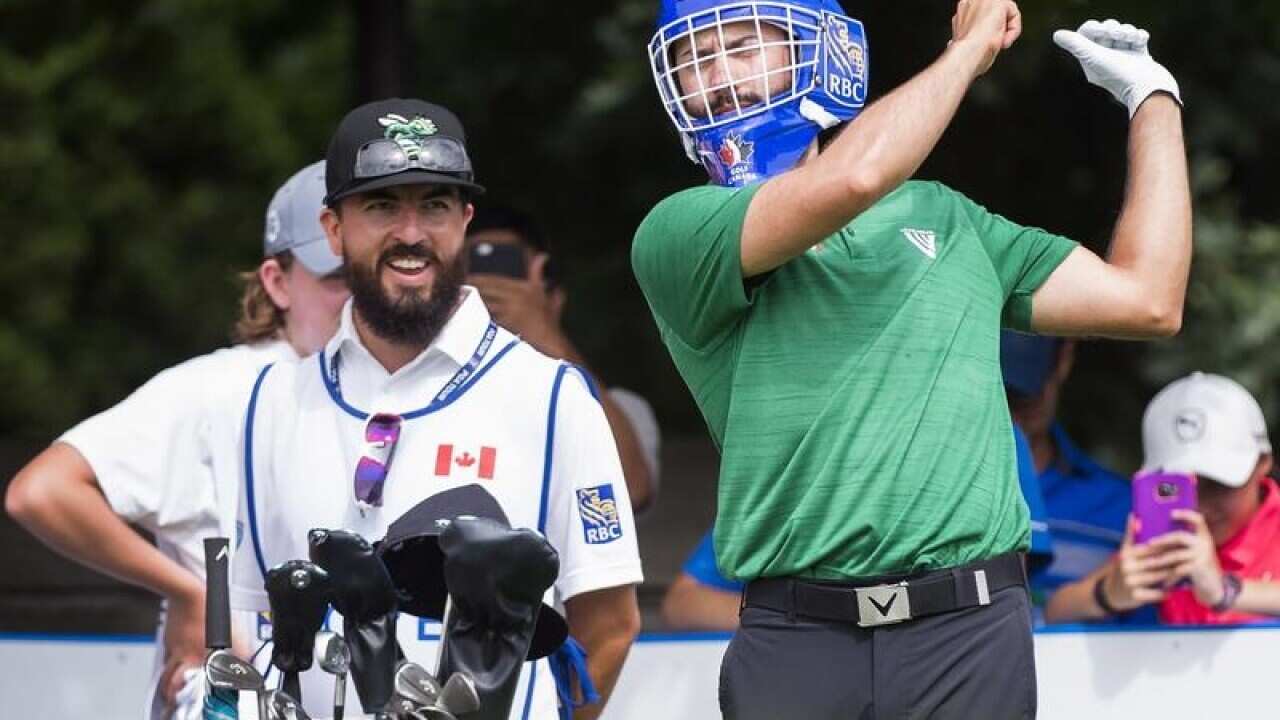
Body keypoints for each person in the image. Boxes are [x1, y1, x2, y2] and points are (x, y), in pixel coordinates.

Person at [633, 1, 1190, 716]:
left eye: (742, 48)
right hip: (796, 637)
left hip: (968, 628)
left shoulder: (945, 214)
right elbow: (854, 179)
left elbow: (1148, 299)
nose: (716, 77)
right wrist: (966, 54)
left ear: (824, 54)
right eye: (694, 60)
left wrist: (1154, 99)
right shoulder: (678, 229)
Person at [230, 99, 643, 720]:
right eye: (381, 205)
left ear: (465, 220)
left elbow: (610, 626)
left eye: (435, 205)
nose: (412, 233)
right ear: (334, 227)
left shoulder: (552, 395)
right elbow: (252, 612)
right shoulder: (273, 400)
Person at [4, 160, 347, 717]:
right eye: (336, 278)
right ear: (277, 282)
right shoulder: (220, 387)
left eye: (366, 274)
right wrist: (192, 592)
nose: (356, 296)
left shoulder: (409, 397)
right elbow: (42, 491)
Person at [660, 426, 1050, 631]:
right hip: (814, 667)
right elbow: (684, 601)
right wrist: (811, 616)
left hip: (953, 660)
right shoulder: (807, 446)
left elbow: (1014, 593)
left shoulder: (993, 432)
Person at [465, 206, 662, 512]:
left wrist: (542, 333)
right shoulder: (417, 403)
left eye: (510, 273)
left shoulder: (621, 408)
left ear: (554, 299)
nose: (497, 295)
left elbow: (632, 491)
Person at [1045, 372, 1280, 625]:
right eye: (1176, 489)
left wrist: (1224, 590)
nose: (1199, 508)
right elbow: (1056, 611)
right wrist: (1110, 593)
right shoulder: (1167, 537)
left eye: (1219, 485)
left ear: (1263, 463)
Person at [1000, 331, 1152, 621]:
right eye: (1002, 390)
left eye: (1026, 390)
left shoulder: (1123, 509)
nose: (1014, 407)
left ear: (1064, 358)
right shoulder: (937, 499)